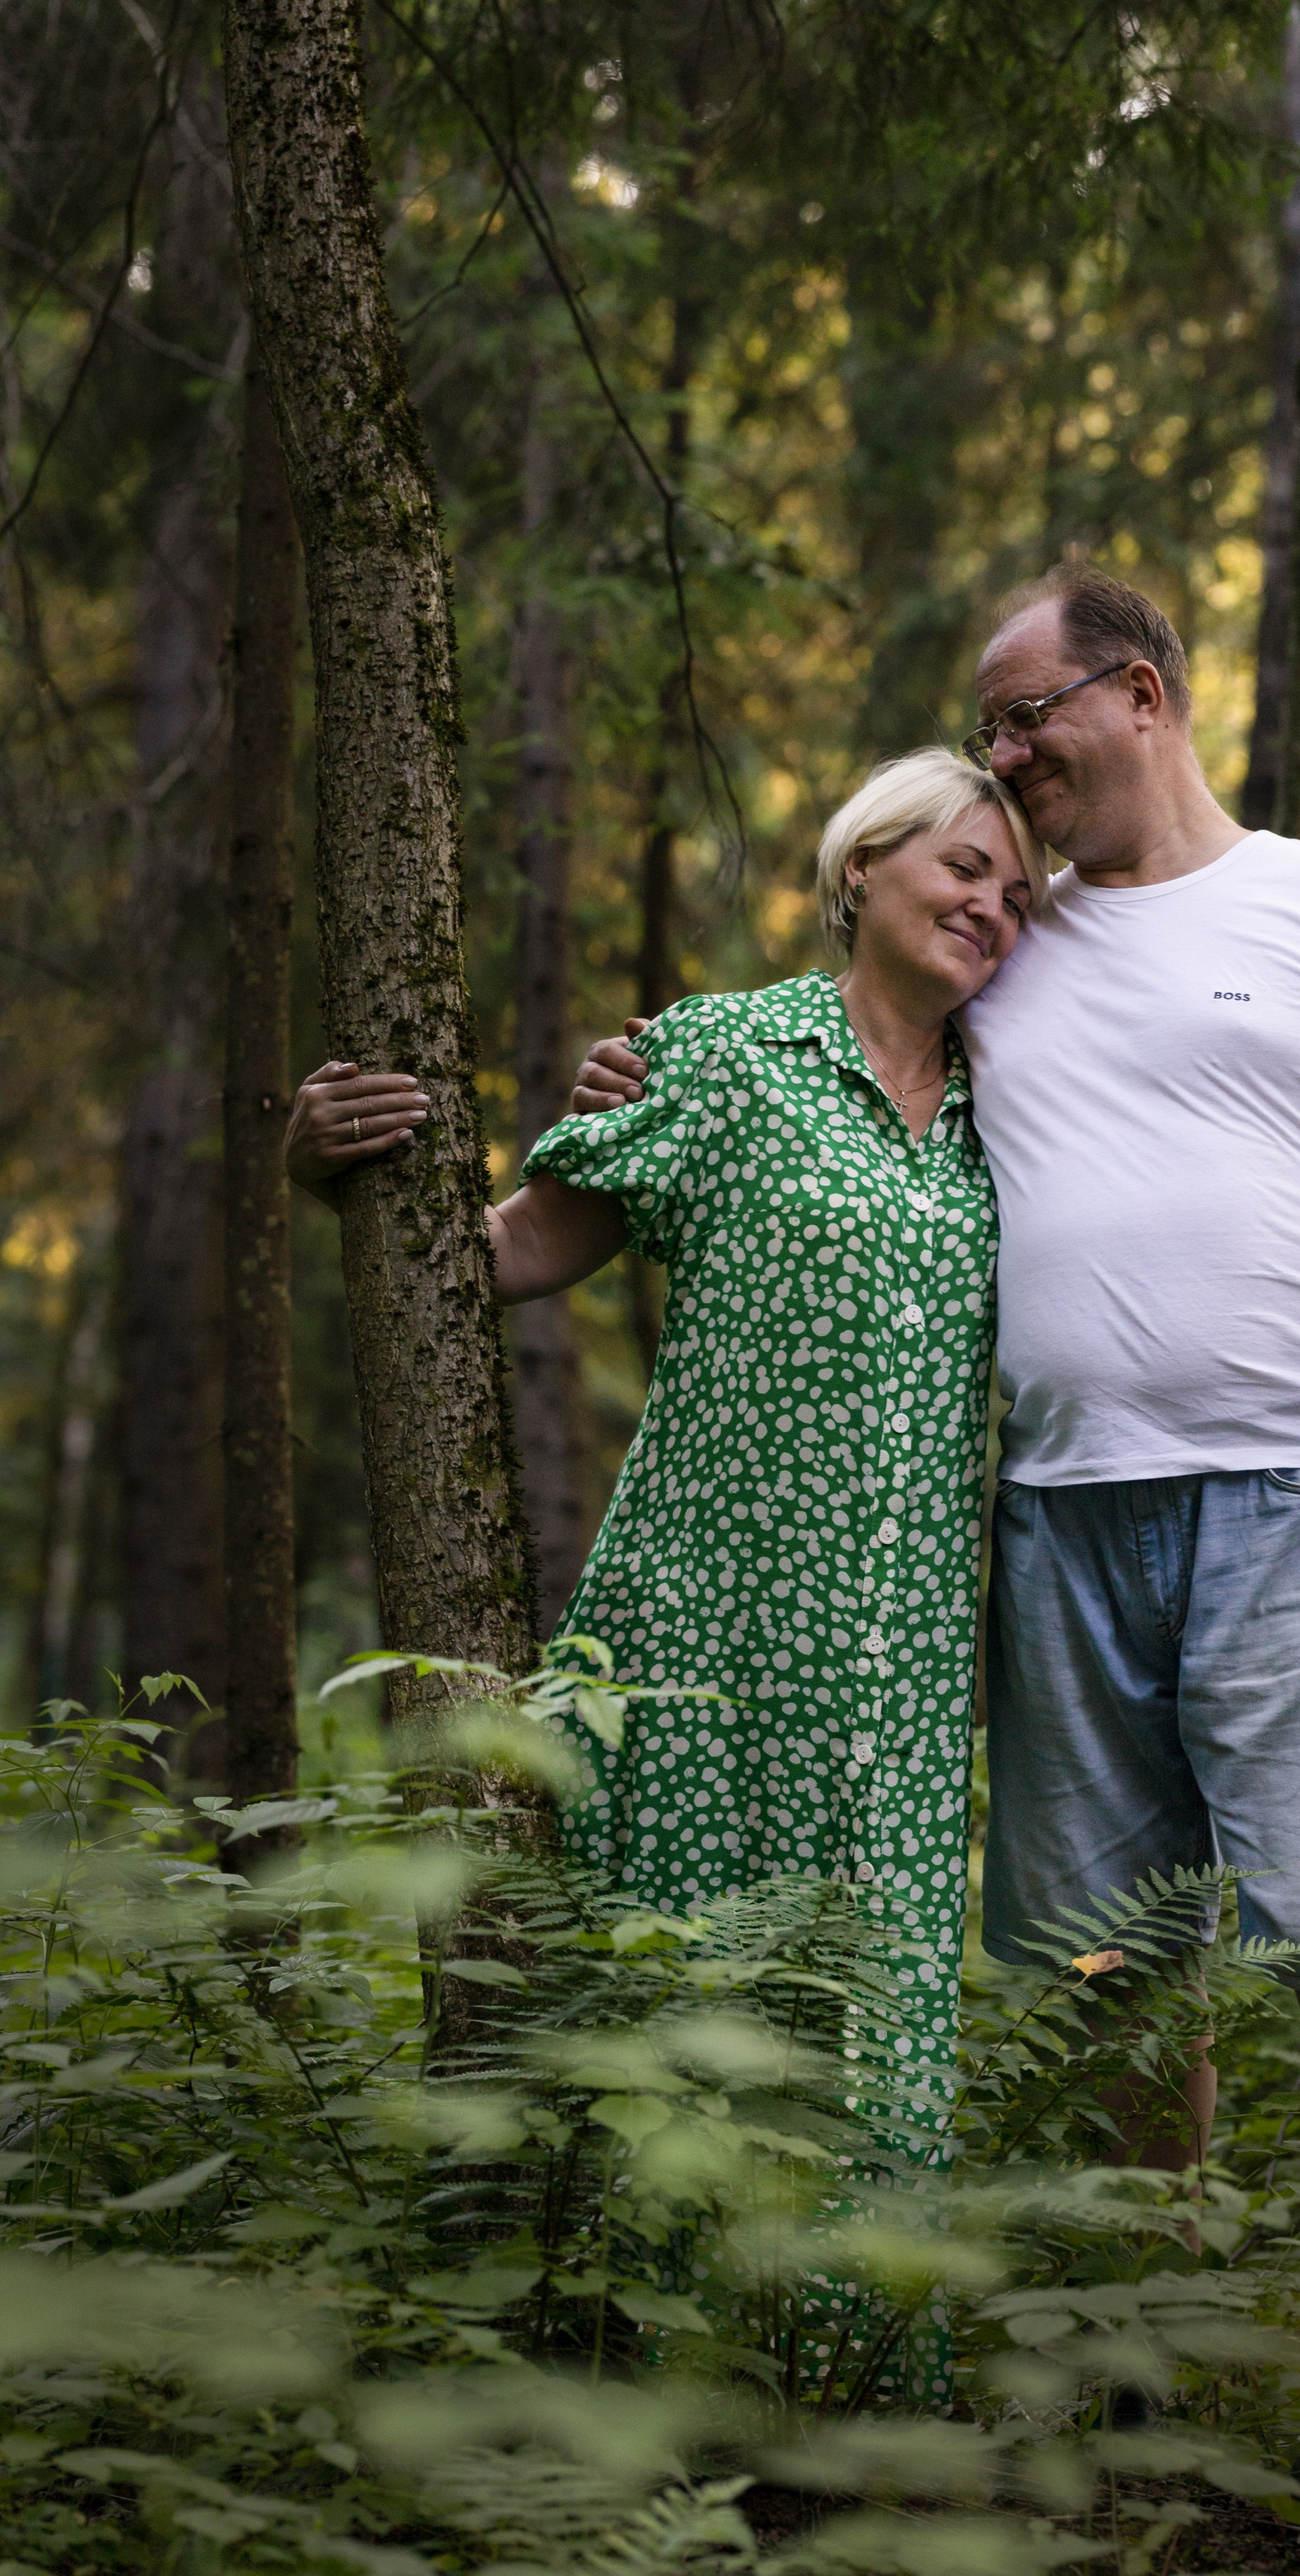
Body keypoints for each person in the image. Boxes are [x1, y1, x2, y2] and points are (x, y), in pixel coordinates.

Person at [574, 566, 1300, 2497]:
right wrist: (631, 1084)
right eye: (985, 740)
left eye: (1027, 723)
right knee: (1102, 1970)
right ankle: (1134, 2358)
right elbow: (849, 1066)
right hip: (1059, 1521)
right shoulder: (1009, 937)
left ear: (1139, 694)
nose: (1006, 768)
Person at [283, 752, 1049, 2195]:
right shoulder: (715, 1057)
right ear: (861, 870)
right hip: (697, 1645)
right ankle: (640, 2377)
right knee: (676, 2022)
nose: (990, 908)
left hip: (899, 1671)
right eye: (962, 869)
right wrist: (330, 1166)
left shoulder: (1018, 1120)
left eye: (1017, 896)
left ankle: (849, 2397)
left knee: (872, 2044)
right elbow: (501, 1259)